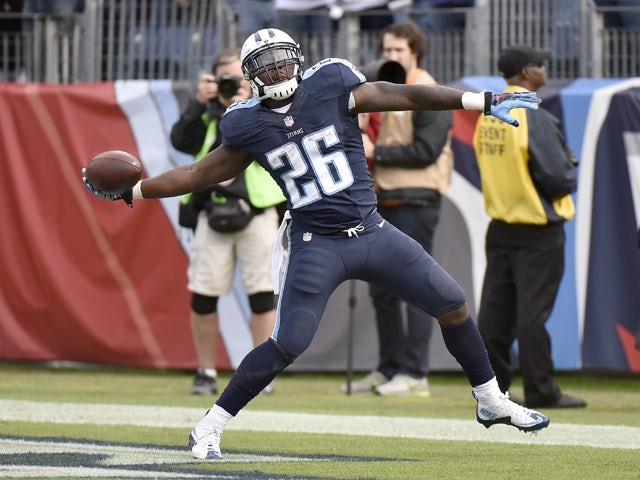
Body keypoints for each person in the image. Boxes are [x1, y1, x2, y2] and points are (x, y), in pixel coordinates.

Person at [83, 28, 551, 460]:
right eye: (264, 66)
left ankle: (491, 401)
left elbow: (401, 94)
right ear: (250, 77)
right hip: (316, 241)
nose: (276, 72)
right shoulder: (244, 124)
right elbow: (196, 173)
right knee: (289, 342)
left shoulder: (331, 83)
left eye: (281, 62)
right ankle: (210, 424)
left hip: (371, 230)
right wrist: (135, 191)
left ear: (297, 61)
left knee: (452, 302)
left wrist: (480, 100)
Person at [472, 44, 586, 409]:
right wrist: (570, 166)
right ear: (526, 73)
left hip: (500, 226)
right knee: (532, 317)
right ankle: (541, 390)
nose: (545, 70)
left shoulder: (489, 113)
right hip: (537, 229)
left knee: (495, 315)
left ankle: (494, 391)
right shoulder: (532, 112)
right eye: (541, 65)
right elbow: (557, 178)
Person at [170, 47, 285, 396]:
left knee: (263, 294)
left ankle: (260, 373)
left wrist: (249, 100)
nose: (232, 84)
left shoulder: (265, 108)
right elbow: (181, 141)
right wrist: (197, 104)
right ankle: (206, 371)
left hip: (259, 208)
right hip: (210, 210)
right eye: (226, 78)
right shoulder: (205, 113)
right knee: (203, 294)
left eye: (239, 77)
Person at [346, 21, 452, 397]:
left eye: (398, 52)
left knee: (417, 287)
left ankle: (416, 373)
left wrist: (377, 153)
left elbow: (427, 151)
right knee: (381, 291)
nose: (390, 58)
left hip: (416, 199)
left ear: (415, 53)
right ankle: (389, 367)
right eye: (386, 51)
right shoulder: (382, 87)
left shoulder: (430, 91)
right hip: (381, 199)